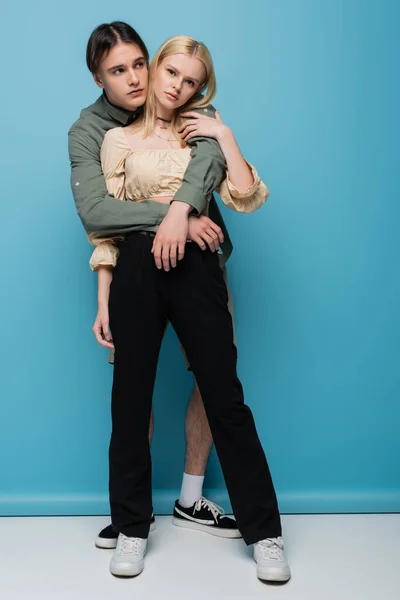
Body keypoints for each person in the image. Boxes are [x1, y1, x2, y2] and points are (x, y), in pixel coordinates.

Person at [84, 33, 291, 583]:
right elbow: (105, 225)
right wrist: (103, 301)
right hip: (135, 270)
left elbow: (246, 195)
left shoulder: (202, 132)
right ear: (153, 70)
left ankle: (265, 533)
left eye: (192, 81)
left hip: (197, 270)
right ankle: (132, 527)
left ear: (201, 89)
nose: (178, 87)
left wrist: (224, 133)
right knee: (130, 398)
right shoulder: (117, 141)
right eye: (171, 74)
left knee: (225, 396)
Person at [68, 22, 240, 550]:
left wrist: (186, 214)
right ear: (98, 78)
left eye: (140, 63)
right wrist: (174, 216)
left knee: (216, 377)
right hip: (134, 269)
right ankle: (131, 511)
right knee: (135, 385)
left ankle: (192, 497)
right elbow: (97, 213)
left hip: (203, 266)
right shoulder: (93, 131)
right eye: (118, 70)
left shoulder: (185, 101)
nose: (136, 78)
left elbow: (218, 166)